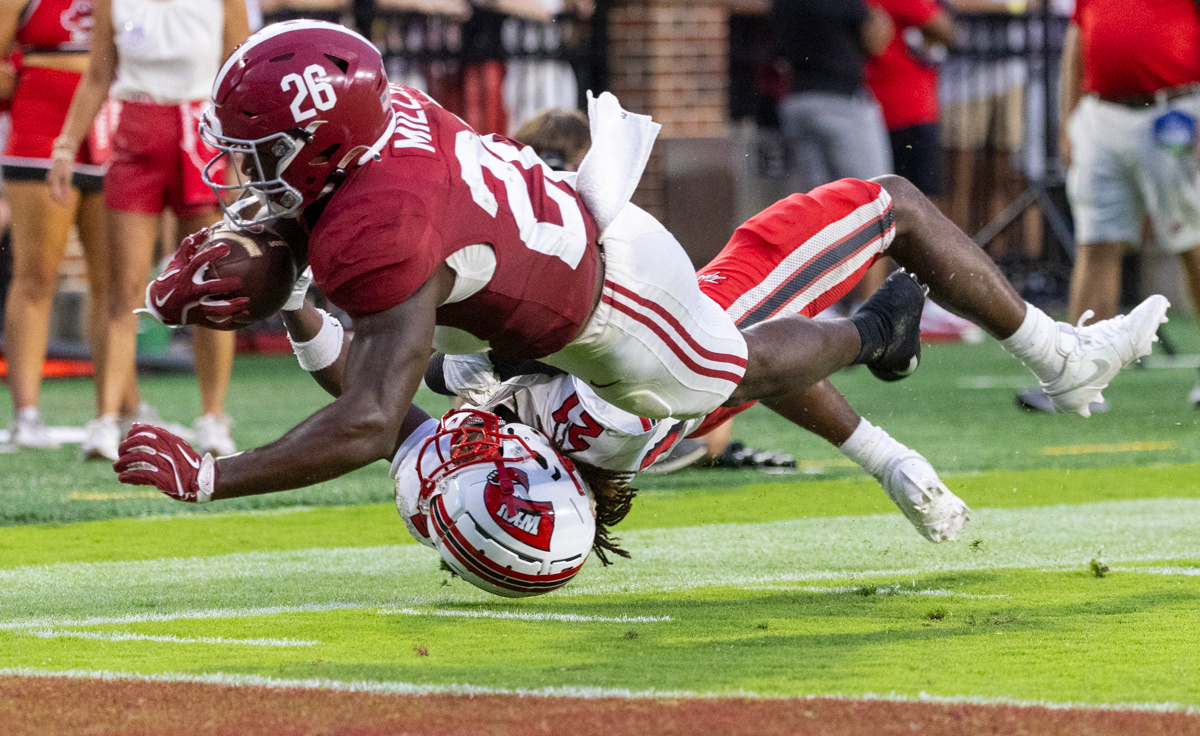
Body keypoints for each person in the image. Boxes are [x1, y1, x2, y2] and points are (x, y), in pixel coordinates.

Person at [112, 21, 1167, 517]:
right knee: (749, 340)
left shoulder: (380, 237)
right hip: (587, 289)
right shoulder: (393, 119)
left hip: (628, 317)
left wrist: (217, 471)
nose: (248, 178)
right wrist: (289, 279)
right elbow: (382, 374)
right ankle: (928, 349)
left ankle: (985, 349)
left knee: (738, 351)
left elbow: (370, 414)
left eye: (261, 157)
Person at [47, 0, 249, 460]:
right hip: (136, 126)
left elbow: (238, 72)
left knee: (210, 284)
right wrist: (64, 146)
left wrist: (242, 152)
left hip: (202, 130)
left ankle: (214, 418)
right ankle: (105, 420)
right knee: (124, 287)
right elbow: (98, 74)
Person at [1019, 0, 1200, 412]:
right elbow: (1077, 41)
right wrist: (1068, 121)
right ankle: (1079, 378)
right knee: (1096, 243)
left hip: (1175, 113)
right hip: (1100, 113)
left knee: (1192, 242)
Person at [0, 0, 112, 449]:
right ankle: (26, 414)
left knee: (115, 282)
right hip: (42, 119)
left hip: (114, 118)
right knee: (36, 274)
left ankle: (117, 411)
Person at [864, 0, 956, 199]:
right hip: (910, 109)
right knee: (920, 204)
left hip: (873, 108)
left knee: (883, 201)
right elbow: (947, 31)